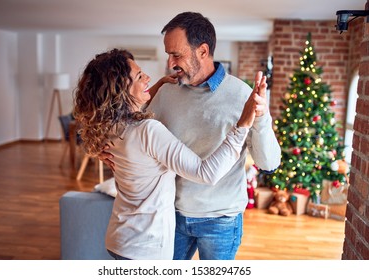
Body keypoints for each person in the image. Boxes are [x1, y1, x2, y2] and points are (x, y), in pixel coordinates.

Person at [100, 12, 281, 260]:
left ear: (203, 51)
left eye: (177, 54)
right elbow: (118, 118)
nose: (171, 62)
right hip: (171, 217)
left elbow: (268, 163)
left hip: (220, 220)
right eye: (168, 54)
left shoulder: (241, 95)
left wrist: (261, 116)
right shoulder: (165, 91)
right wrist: (102, 149)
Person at [73, 48, 265, 260]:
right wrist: (242, 125)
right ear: (120, 91)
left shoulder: (109, 126)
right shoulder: (147, 130)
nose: (147, 77)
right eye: (139, 76)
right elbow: (207, 173)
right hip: (146, 248)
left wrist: (159, 85)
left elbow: (130, 108)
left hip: (119, 239)